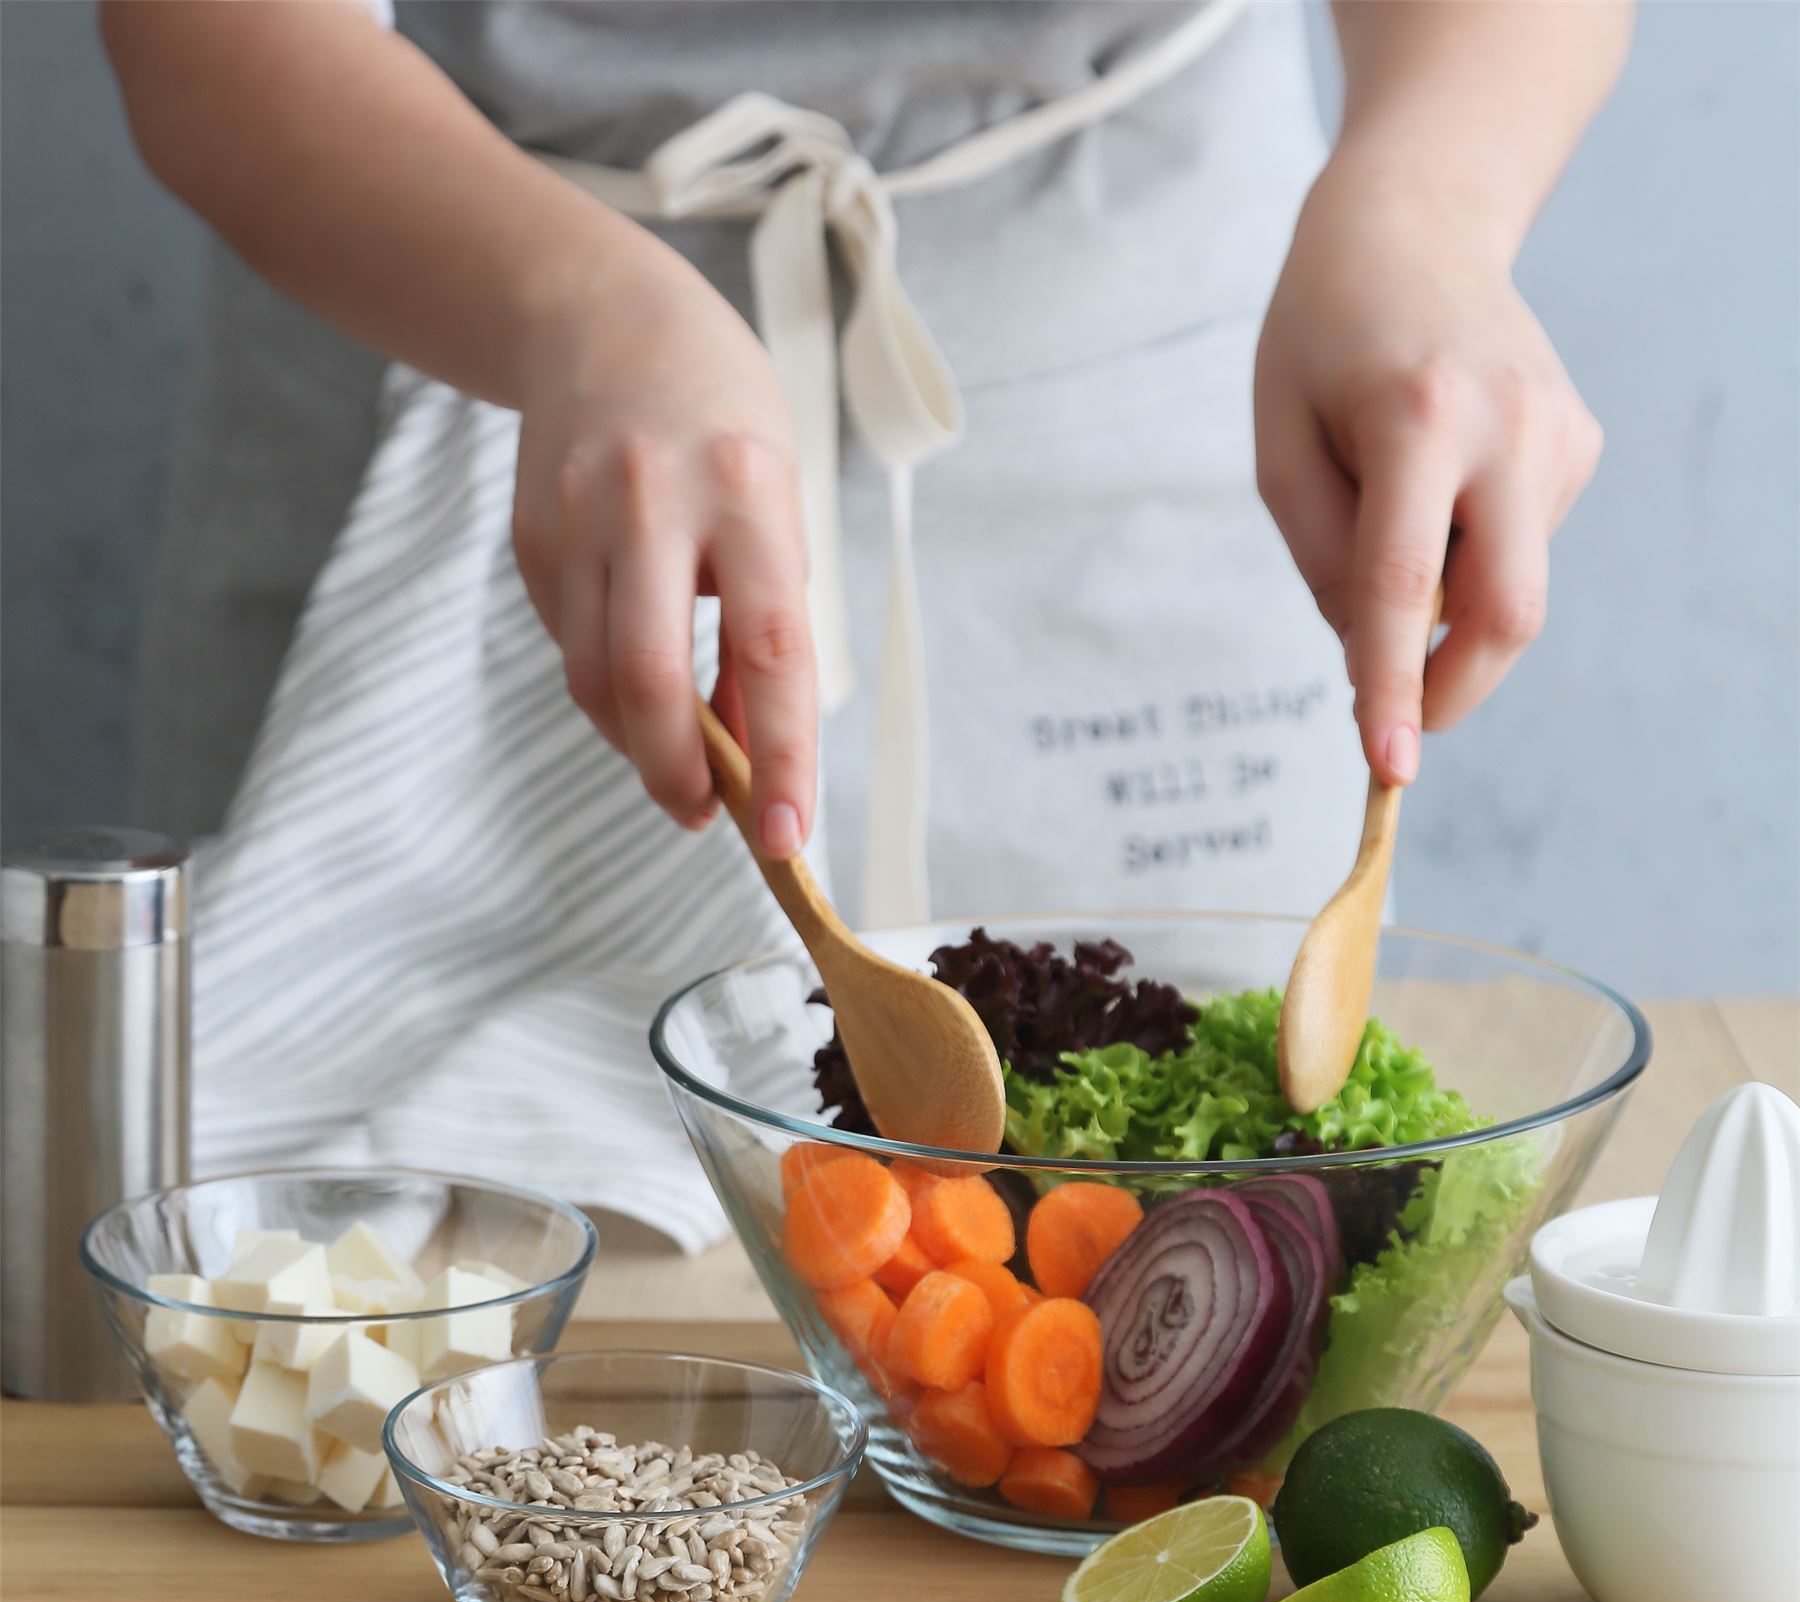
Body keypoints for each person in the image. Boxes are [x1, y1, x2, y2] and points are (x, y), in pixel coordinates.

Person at [103, 0, 1629, 1239]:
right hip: (444, 328)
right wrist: (575, 308)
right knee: (294, 1231)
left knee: (1187, 1235)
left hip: (1137, 369)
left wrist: (1427, 211)